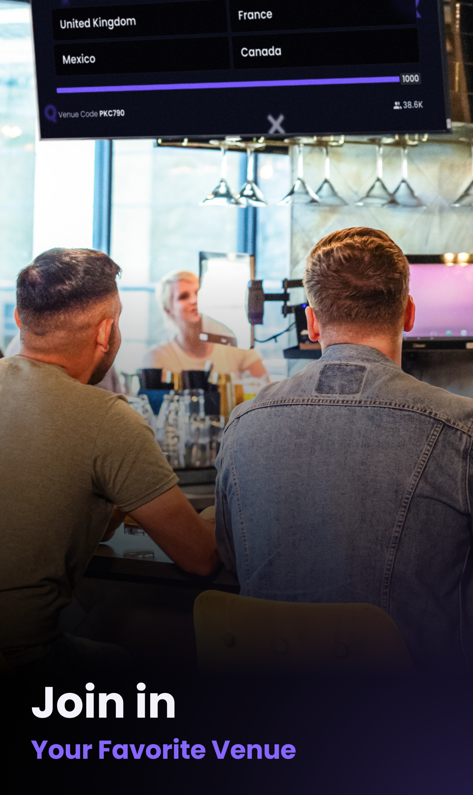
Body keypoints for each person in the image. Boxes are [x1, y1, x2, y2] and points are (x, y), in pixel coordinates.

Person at [215, 227, 473, 675]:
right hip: (414, 721)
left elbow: (230, 557)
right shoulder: (461, 429)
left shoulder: (242, 424)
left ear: (311, 322)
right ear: (409, 313)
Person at [0, 248, 219, 671]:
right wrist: (212, 519)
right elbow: (200, 557)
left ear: (20, 320)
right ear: (107, 331)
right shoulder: (108, 419)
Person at [142, 270, 268, 379]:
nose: (194, 300)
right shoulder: (157, 357)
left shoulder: (236, 345)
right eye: (183, 296)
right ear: (168, 310)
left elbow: (264, 395)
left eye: (198, 293)